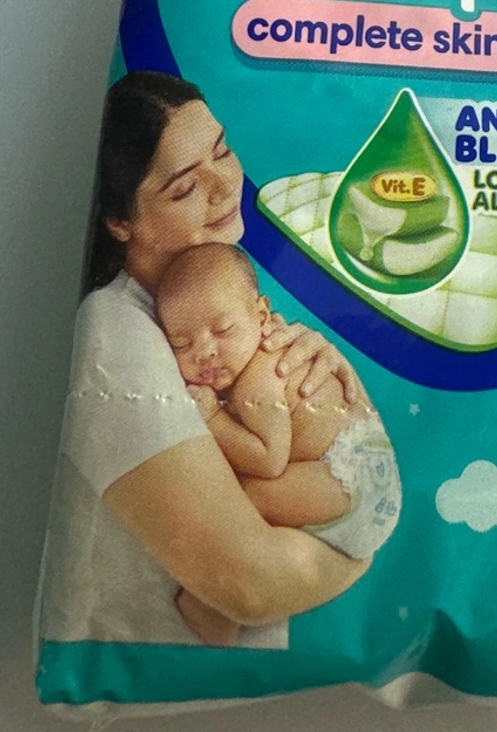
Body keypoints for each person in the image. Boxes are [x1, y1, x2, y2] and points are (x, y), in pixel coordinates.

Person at [38, 71, 369, 649]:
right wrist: (365, 531)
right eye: (185, 187)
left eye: (223, 151)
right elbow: (251, 587)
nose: (223, 188)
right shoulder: (119, 331)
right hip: (163, 659)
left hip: (245, 668)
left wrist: (327, 399)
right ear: (119, 221)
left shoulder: (215, 303)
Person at [155, 243, 401, 645]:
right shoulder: (263, 358)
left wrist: (213, 419)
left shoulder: (260, 374)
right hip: (371, 484)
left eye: (223, 330)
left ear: (261, 316)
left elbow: (269, 459)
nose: (204, 351)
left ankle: (212, 612)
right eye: (181, 344)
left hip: (345, 480)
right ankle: (228, 613)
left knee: (240, 499)